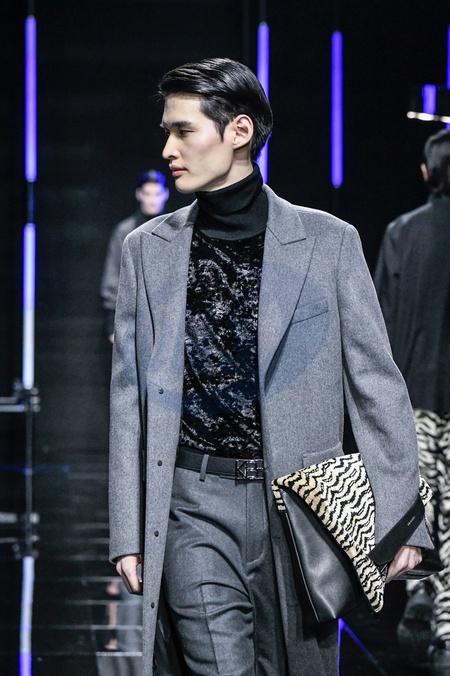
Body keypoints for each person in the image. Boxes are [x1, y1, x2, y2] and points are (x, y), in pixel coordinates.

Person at [109, 57, 431, 676]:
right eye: (167, 131)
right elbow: (130, 395)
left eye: (183, 131)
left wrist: (403, 519)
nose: (168, 148)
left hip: (302, 507)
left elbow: (375, 385)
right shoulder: (147, 251)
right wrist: (129, 529)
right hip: (191, 505)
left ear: (239, 131)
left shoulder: (329, 242)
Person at [374, 128, 450, 674]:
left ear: (426, 173)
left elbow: (378, 328)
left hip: (415, 397)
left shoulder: (402, 233)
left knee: (421, 504)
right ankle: (447, 625)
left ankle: (419, 586)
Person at [100, 169, 169, 342]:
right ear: (139, 194)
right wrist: (112, 322)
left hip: (167, 318)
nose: (152, 200)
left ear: (165, 194)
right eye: (148, 194)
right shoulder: (125, 231)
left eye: (157, 194)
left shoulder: (175, 230)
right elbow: (113, 274)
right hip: (132, 317)